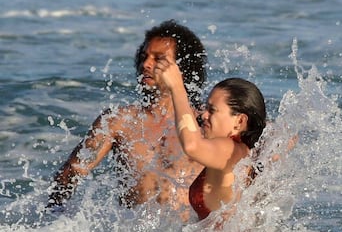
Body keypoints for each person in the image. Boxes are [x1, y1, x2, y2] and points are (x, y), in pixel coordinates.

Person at [46, 20, 207, 217]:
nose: (146, 64)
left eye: (159, 59)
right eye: (144, 56)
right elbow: (71, 173)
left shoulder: (205, 122)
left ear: (182, 68)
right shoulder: (119, 121)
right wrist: (55, 218)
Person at [154, 58, 267, 221]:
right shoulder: (242, 153)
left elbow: (192, 145)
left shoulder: (232, 150)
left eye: (212, 110)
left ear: (240, 121)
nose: (203, 115)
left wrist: (177, 87)